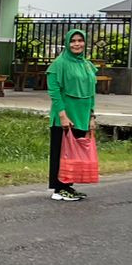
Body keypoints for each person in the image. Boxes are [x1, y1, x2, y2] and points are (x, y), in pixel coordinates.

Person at [46, 28, 97, 201]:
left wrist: (92, 116)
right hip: (66, 115)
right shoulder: (59, 64)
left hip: (82, 114)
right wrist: (62, 115)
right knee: (62, 152)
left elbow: (92, 92)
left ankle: (68, 186)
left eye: (80, 41)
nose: (77, 44)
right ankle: (59, 188)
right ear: (67, 43)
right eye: (73, 41)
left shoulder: (86, 64)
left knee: (74, 154)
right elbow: (54, 91)